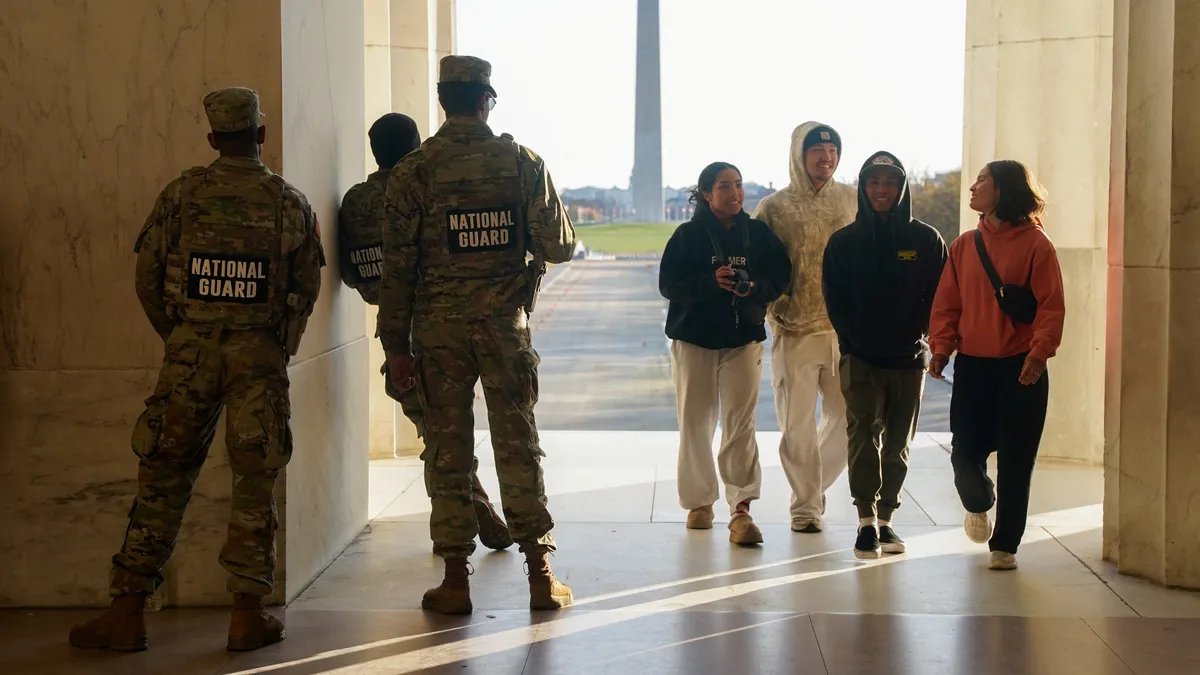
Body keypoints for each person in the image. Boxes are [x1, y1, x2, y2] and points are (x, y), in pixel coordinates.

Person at [69, 88, 324, 652]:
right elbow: (305, 288)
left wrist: (182, 336)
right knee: (255, 480)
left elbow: (147, 277)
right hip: (258, 360)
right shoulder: (288, 203)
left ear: (213, 139)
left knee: (162, 477)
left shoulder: (183, 195)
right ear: (261, 135)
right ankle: (247, 614)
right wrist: (274, 344)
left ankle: (128, 610)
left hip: (190, 355)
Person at [378, 55, 576, 614]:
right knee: (518, 444)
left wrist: (395, 346)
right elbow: (560, 246)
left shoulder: (413, 172)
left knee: (448, 451)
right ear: (488, 99)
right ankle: (540, 575)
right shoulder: (520, 163)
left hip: (437, 334)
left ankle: (455, 579)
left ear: (443, 101)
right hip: (502, 327)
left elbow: (398, 269)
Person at [338, 112, 512, 552]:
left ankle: (468, 513)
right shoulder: (424, 185)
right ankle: (468, 516)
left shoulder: (356, 202)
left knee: (436, 433)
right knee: (446, 436)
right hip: (439, 323)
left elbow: (353, 273)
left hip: (395, 330)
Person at [928, 160, 1065, 571]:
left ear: (1002, 189)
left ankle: (1005, 544)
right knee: (964, 452)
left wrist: (1039, 354)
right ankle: (978, 501)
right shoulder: (964, 245)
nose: (972, 187)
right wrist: (941, 347)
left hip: (1022, 368)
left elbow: (1051, 307)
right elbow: (947, 303)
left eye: (982, 181)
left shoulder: (1038, 246)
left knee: (1016, 460)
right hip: (973, 367)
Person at [822, 151, 948, 559]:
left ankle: (887, 520)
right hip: (860, 358)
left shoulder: (925, 240)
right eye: (874, 182)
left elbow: (941, 297)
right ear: (863, 188)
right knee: (862, 437)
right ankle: (864, 521)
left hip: (908, 360)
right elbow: (835, 301)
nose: (881, 190)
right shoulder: (844, 242)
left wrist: (926, 337)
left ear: (901, 189)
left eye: (890, 183)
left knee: (897, 443)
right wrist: (852, 342)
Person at [659, 162, 791, 546]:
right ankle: (699, 504)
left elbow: (781, 277)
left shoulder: (758, 234)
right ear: (705, 193)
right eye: (724, 186)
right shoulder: (688, 236)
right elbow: (669, 284)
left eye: (738, 185)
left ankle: (741, 508)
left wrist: (753, 288)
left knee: (740, 425)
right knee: (695, 424)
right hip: (694, 341)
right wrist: (709, 282)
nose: (735, 193)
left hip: (743, 339)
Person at [752, 121, 857, 533]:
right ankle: (805, 508)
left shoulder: (852, 200)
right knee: (795, 426)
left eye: (832, 151)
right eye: (817, 150)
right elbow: (758, 264)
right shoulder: (773, 208)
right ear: (799, 153)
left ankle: (812, 488)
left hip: (844, 330)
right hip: (793, 331)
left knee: (849, 419)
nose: (825, 157)